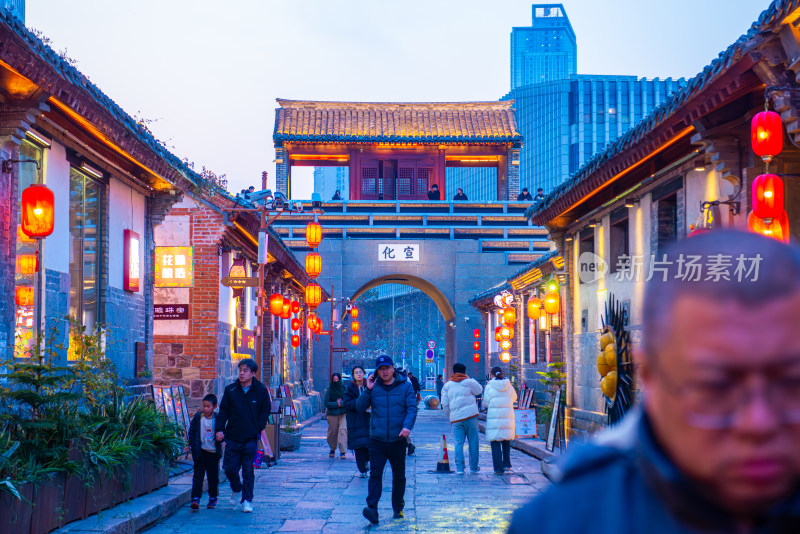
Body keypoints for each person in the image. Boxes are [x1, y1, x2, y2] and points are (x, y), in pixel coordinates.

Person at [508, 230, 800, 533]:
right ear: (650, 376)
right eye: (716, 387)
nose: (758, 423)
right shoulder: (564, 522)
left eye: (792, 384)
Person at [357, 355, 418, 524]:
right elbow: (359, 407)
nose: (384, 372)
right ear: (377, 371)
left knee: (399, 476)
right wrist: (367, 389)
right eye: (381, 369)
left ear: (393, 368)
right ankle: (372, 509)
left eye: (387, 368)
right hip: (377, 440)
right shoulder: (373, 387)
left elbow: (412, 408)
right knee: (375, 475)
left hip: (398, 440)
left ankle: (398, 507)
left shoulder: (405, 386)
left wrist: (407, 426)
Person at [215, 358, 270, 513]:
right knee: (229, 469)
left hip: (250, 437)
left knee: (247, 470)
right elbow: (224, 411)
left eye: (245, 370)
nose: (241, 373)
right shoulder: (231, 390)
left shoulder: (260, 390)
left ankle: (247, 500)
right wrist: (219, 429)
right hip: (233, 436)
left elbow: (265, 410)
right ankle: (236, 487)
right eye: (240, 370)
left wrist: (259, 426)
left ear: (253, 373)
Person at [441, 362, 483, 474]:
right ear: (465, 372)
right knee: (473, 442)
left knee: (458, 443)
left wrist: (450, 415)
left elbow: (445, 404)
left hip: (456, 419)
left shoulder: (447, 385)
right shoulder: (469, 382)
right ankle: (473, 467)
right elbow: (479, 390)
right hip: (471, 417)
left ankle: (460, 468)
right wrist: (472, 379)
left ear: (453, 372)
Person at [189, 394, 222, 509]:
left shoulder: (218, 419)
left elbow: (223, 431)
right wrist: (193, 446)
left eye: (208, 406)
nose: (206, 409)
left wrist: (222, 436)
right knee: (198, 476)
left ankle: (213, 497)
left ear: (215, 406)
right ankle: (196, 498)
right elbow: (192, 432)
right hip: (200, 452)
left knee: (213, 477)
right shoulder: (198, 418)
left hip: (213, 452)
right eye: (204, 406)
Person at [483, 367, 517, 475]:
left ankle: (498, 468)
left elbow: (486, 402)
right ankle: (506, 464)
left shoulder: (489, 386)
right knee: (506, 440)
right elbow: (514, 398)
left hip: (495, 418)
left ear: (492, 375)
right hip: (507, 416)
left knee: (495, 442)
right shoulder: (508, 385)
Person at [344, 366, 371, 477]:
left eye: (360, 372)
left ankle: (367, 462)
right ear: (353, 375)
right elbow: (347, 403)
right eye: (356, 373)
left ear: (364, 373)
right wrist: (360, 403)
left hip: (369, 419)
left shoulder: (370, 386)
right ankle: (362, 469)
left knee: (369, 445)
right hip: (355, 420)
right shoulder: (349, 388)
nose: (359, 374)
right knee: (359, 446)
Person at [324, 373, 348, 459]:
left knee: (343, 430)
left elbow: (347, 400)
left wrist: (341, 403)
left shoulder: (344, 389)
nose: (336, 381)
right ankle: (332, 449)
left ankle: (343, 451)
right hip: (332, 414)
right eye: (334, 380)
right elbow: (326, 403)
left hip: (343, 413)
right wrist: (336, 404)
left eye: (337, 379)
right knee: (332, 433)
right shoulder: (329, 390)